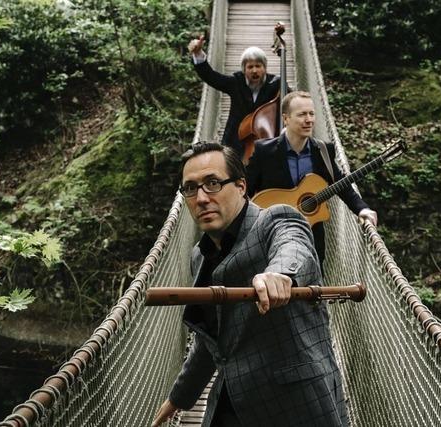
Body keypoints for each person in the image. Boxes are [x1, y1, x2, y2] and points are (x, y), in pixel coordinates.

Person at [151, 142, 348, 427]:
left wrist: (279, 274)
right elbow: (212, 340)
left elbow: (293, 245)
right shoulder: (199, 256)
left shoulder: (276, 219)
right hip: (232, 403)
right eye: (191, 189)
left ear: (241, 186)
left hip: (296, 406)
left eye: (213, 183)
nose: (202, 198)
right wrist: (179, 398)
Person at [246, 91, 378, 266]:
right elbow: (244, 191)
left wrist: (362, 209)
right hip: (272, 232)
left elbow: (341, 184)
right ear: (286, 119)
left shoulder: (323, 151)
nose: (309, 120)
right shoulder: (264, 152)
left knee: (314, 284)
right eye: (302, 115)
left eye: (311, 113)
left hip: (312, 235)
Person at [188, 33, 284, 158]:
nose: (254, 71)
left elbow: (291, 103)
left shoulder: (276, 84)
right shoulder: (236, 82)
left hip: (266, 143)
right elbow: (211, 77)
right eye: (250, 67)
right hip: (235, 142)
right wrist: (198, 53)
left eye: (258, 66)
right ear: (244, 70)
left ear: (265, 68)